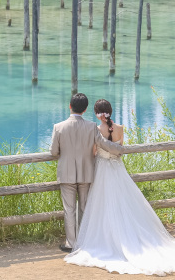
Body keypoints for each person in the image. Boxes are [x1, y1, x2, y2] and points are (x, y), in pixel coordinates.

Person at [64, 98, 175, 275]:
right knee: (123, 203)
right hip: (117, 170)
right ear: (110, 112)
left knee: (102, 205)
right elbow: (120, 149)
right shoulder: (120, 128)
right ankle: (125, 235)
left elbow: (94, 152)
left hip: (101, 170)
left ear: (96, 114)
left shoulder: (95, 129)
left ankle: (105, 237)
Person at [50, 93, 125, 253]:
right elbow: (103, 144)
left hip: (67, 174)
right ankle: (85, 241)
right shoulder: (91, 126)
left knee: (69, 210)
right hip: (86, 172)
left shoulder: (58, 127)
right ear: (84, 110)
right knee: (84, 207)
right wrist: (119, 149)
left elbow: (54, 152)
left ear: (70, 106)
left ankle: (71, 244)